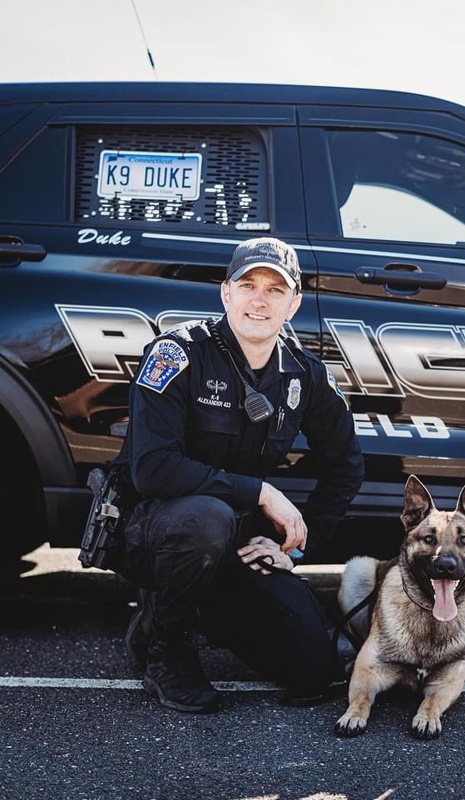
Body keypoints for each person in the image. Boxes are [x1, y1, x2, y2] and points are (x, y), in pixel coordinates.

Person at [109, 236, 365, 714]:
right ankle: (162, 645)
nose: (260, 299)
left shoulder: (304, 374)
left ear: (294, 304)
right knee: (205, 518)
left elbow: (347, 465)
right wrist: (262, 491)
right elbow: (152, 469)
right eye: (248, 285)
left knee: (315, 671)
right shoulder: (177, 355)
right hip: (157, 529)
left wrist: (298, 547)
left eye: (275, 289)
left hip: (237, 540)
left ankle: (209, 606)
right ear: (226, 293)